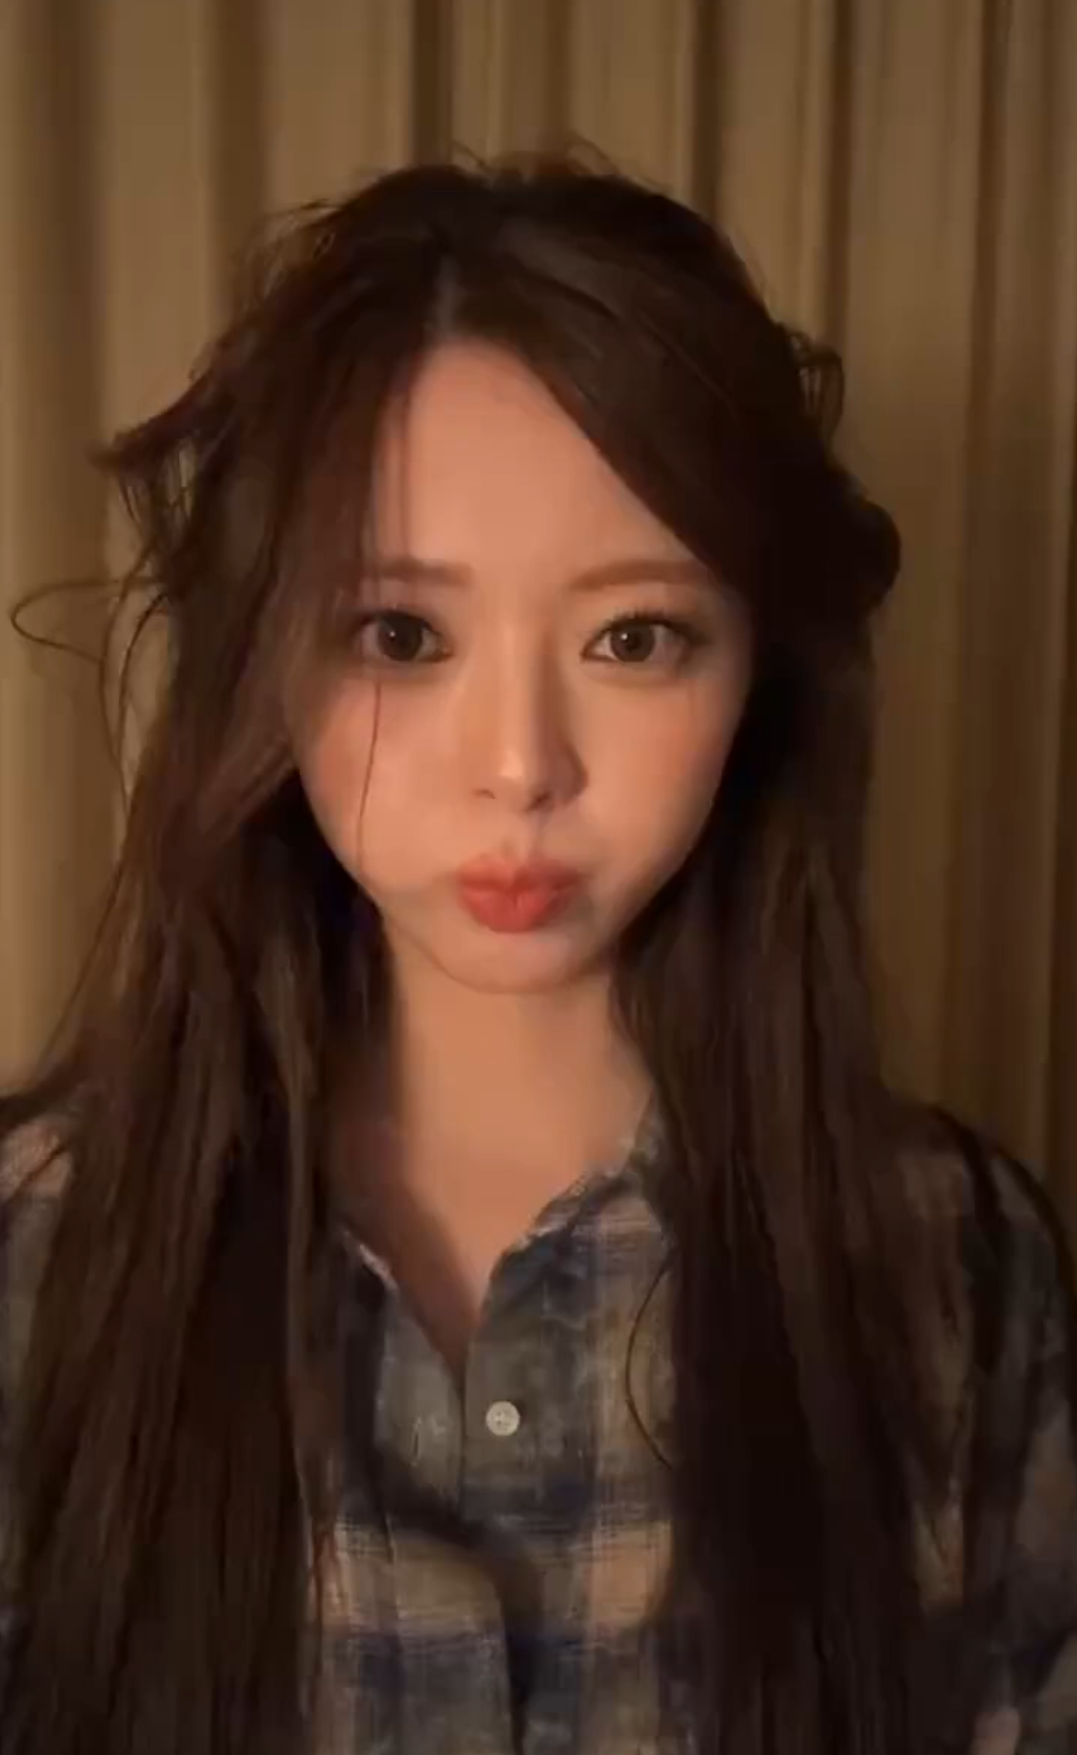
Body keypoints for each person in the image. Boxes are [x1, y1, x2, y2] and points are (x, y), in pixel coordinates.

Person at [0, 154, 1075, 1755]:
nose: (520, 765)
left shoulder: (952, 1268)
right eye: (402, 635)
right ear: (268, 661)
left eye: (635, 637)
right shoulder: (42, 1255)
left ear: (757, 679)